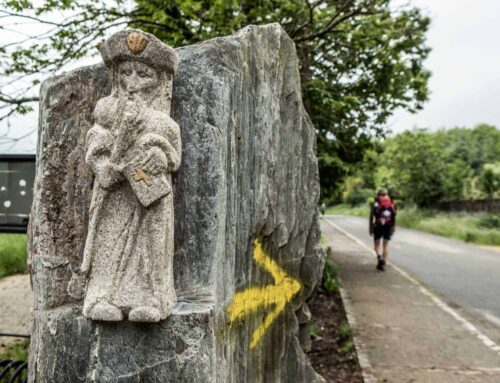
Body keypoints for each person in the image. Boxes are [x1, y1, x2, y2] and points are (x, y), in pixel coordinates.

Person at [369, 188, 396, 271]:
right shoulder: (390, 202)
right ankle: (384, 262)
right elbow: (394, 216)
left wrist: (370, 227)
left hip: (378, 225)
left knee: (377, 245)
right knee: (385, 245)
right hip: (388, 226)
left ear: (378, 194)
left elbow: (371, 217)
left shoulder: (375, 203)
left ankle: (379, 257)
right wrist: (393, 227)